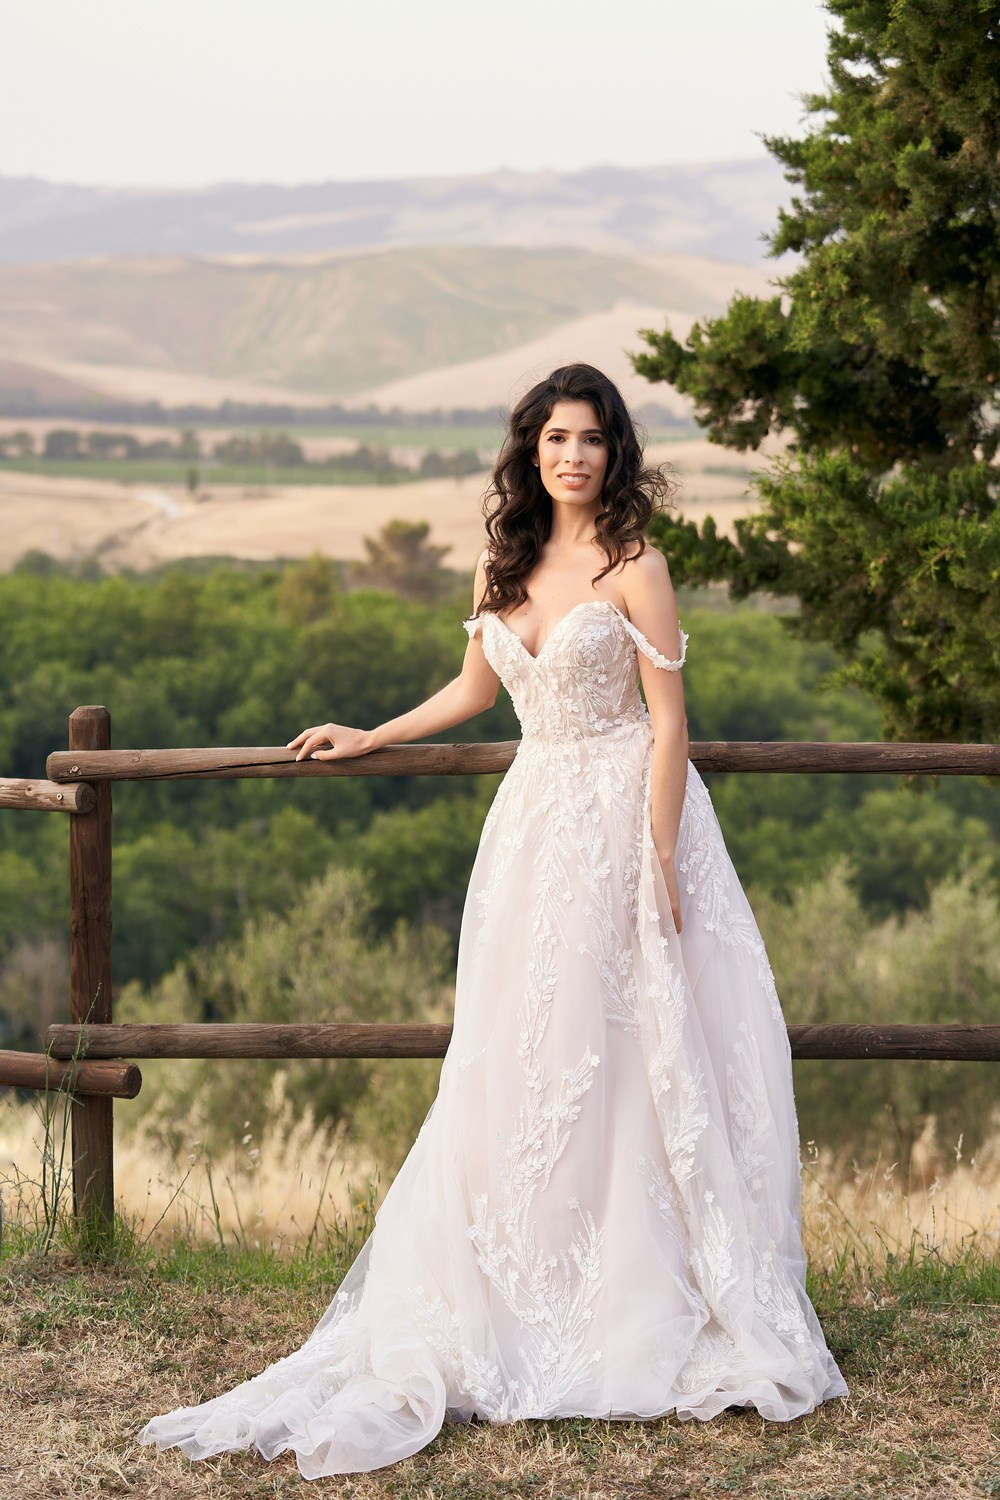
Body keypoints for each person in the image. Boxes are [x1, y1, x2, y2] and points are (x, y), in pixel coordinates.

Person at [139, 363, 847, 1479]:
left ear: (616, 451)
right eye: (554, 438)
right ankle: (524, 1289)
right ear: (530, 451)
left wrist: (655, 860)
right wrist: (370, 734)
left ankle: (633, 1300)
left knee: (635, 1055)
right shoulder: (503, 559)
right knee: (526, 1061)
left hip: (622, 816)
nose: (572, 455)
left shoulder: (636, 565)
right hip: (529, 834)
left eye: (591, 438)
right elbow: (475, 689)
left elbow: (669, 727)